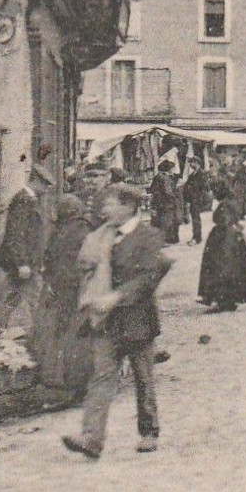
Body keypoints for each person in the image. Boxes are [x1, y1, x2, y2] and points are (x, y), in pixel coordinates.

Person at [63, 184, 172, 459]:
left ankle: (148, 432)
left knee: (143, 377)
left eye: (110, 204)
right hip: (106, 321)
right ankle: (91, 438)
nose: (104, 209)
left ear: (127, 207)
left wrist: (117, 296)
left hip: (138, 320)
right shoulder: (102, 235)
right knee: (101, 377)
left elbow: (149, 277)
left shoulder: (148, 236)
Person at [40, 193, 94, 396]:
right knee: (75, 331)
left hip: (66, 286)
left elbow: (51, 257)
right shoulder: (83, 229)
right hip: (74, 286)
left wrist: (51, 281)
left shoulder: (61, 230)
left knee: (65, 330)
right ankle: (72, 377)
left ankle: (65, 377)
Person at [0, 165, 52, 329]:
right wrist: (22, 263)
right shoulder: (24, 201)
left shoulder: (29, 200)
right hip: (25, 264)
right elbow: (16, 234)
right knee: (36, 299)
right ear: (35, 181)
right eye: (45, 185)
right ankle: (41, 336)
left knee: (12, 296)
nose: (46, 189)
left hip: (27, 262)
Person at [197, 199, 246, 312]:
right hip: (229, 238)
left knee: (222, 267)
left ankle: (222, 298)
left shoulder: (221, 229)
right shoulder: (235, 230)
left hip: (225, 241)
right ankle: (230, 297)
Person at [149, 161, 182, 245]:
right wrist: (175, 196)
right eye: (173, 168)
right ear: (169, 169)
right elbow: (168, 192)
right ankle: (166, 240)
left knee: (158, 220)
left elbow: (152, 189)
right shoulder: (165, 178)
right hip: (166, 203)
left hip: (158, 202)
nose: (174, 170)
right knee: (167, 221)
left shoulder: (157, 176)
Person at [183, 164, 212, 246]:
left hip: (198, 199)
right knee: (194, 218)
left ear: (197, 163)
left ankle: (197, 238)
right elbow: (188, 184)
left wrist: (190, 186)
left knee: (196, 218)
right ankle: (196, 237)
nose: (191, 164)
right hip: (193, 198)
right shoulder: (193, 174)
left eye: (192, 162)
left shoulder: (202, 174)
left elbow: (204, 187)